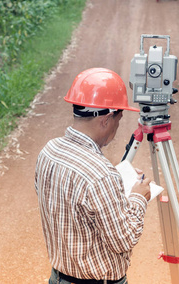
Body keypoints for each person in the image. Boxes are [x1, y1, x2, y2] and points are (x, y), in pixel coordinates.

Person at [35, 68, 152, 284]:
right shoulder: (100, 175)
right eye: (119, 118)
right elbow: (124, 240)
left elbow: (75, 205)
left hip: (59, 278)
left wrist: (113, 185)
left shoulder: (48, 151)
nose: (117, 126)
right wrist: (138, 197)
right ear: (107, 119)